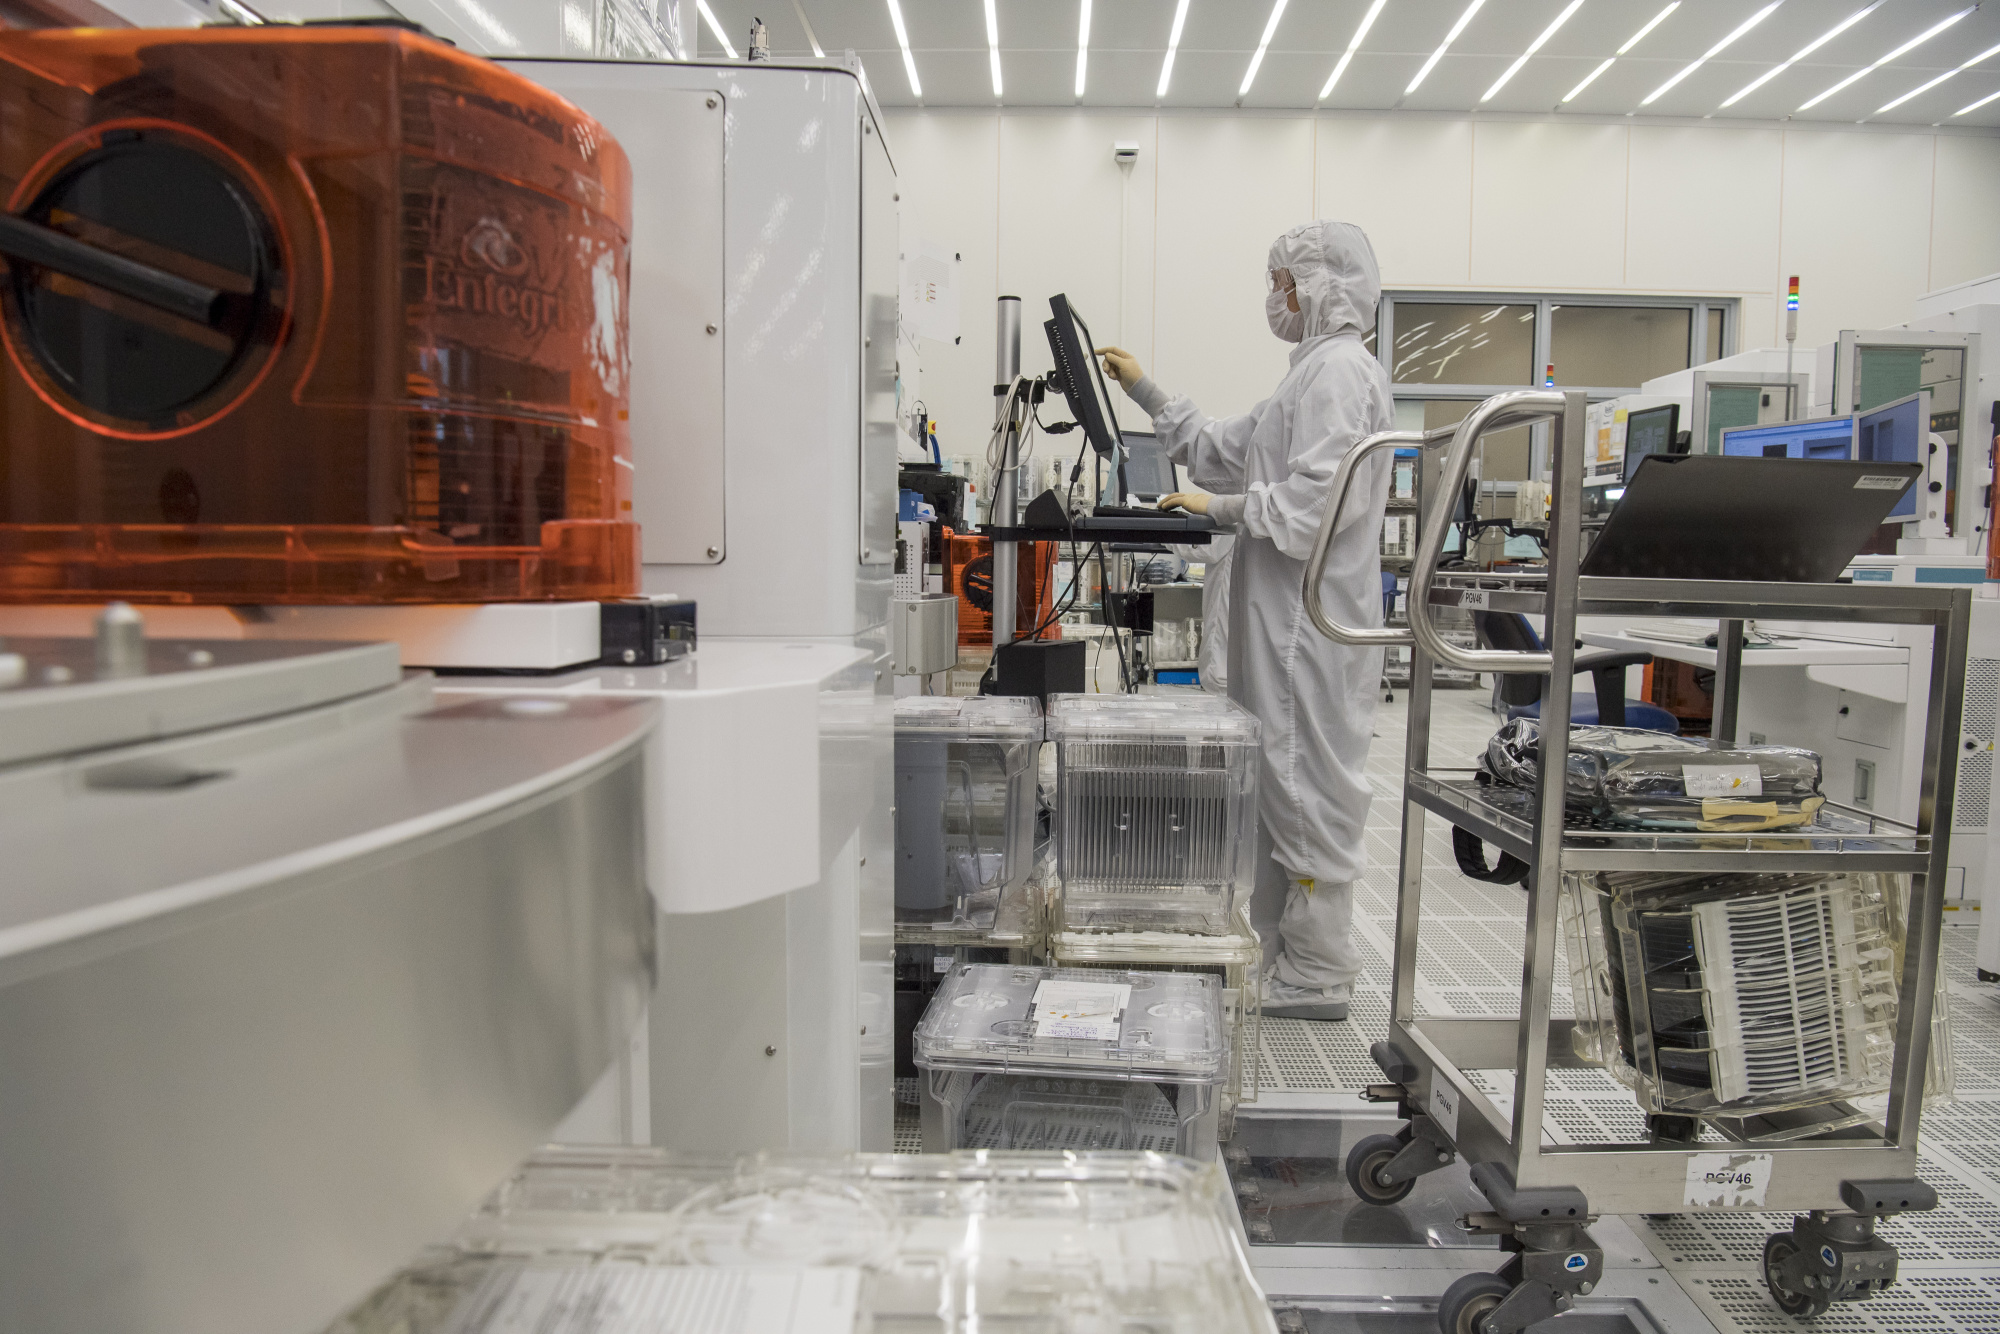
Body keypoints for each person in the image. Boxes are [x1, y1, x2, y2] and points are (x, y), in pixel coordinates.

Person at [1097, 220, 1391, 1022]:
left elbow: (1313, 501)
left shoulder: (1338, 373)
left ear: (1322, 286)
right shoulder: (1307, 377)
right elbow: (1221, 448)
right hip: (1284, 624)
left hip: (1307, 629)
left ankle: (1322, 975)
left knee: (1306, 789)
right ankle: (1282, 954)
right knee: (1278, 788)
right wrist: (1145, 389)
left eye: (1283, 283)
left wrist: (1218, 507)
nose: (1276, 298)